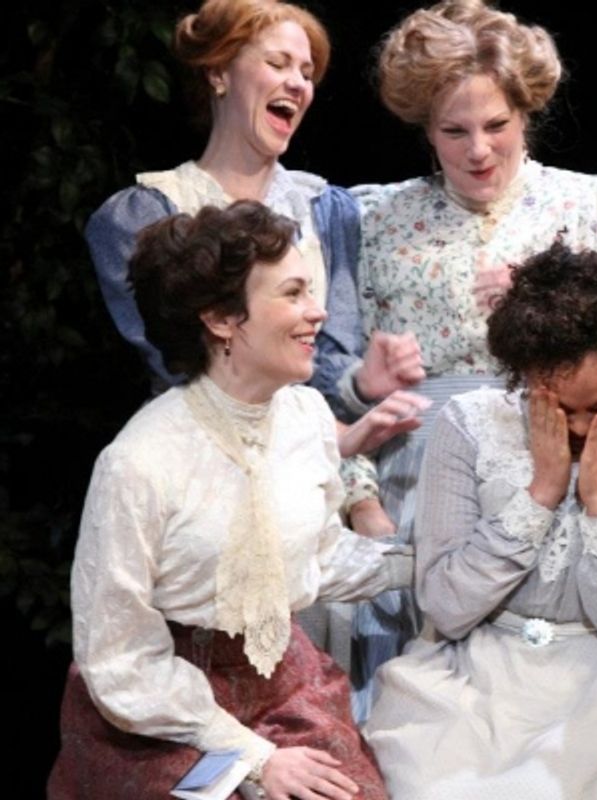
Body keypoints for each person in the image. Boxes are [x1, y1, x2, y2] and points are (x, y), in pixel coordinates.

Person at [323, 0, 597, 735]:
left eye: (497, 125)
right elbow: (338, 393)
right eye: (453, 131)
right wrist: (363, 502)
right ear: (424, 129)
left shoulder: (596, 204)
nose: (478, 150)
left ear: (527, 112)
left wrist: (553, 314)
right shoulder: (376, 219)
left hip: (575, 483)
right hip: (425, 495)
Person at [47, 202, 411, 800]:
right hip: (159, 716)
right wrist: (255, 757)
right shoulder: (140, 461)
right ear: (221, 319)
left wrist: (419, 561)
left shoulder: (305, 415)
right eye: (292, 294)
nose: (316, 312)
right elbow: (118, 658)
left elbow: (316, 557)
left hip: (283, 687)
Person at [363, 244, 597, 800]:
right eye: (556, 405)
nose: (578, 425)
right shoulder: (469, 424)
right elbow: (445, 605)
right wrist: (541, 493)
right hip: (470, 681)